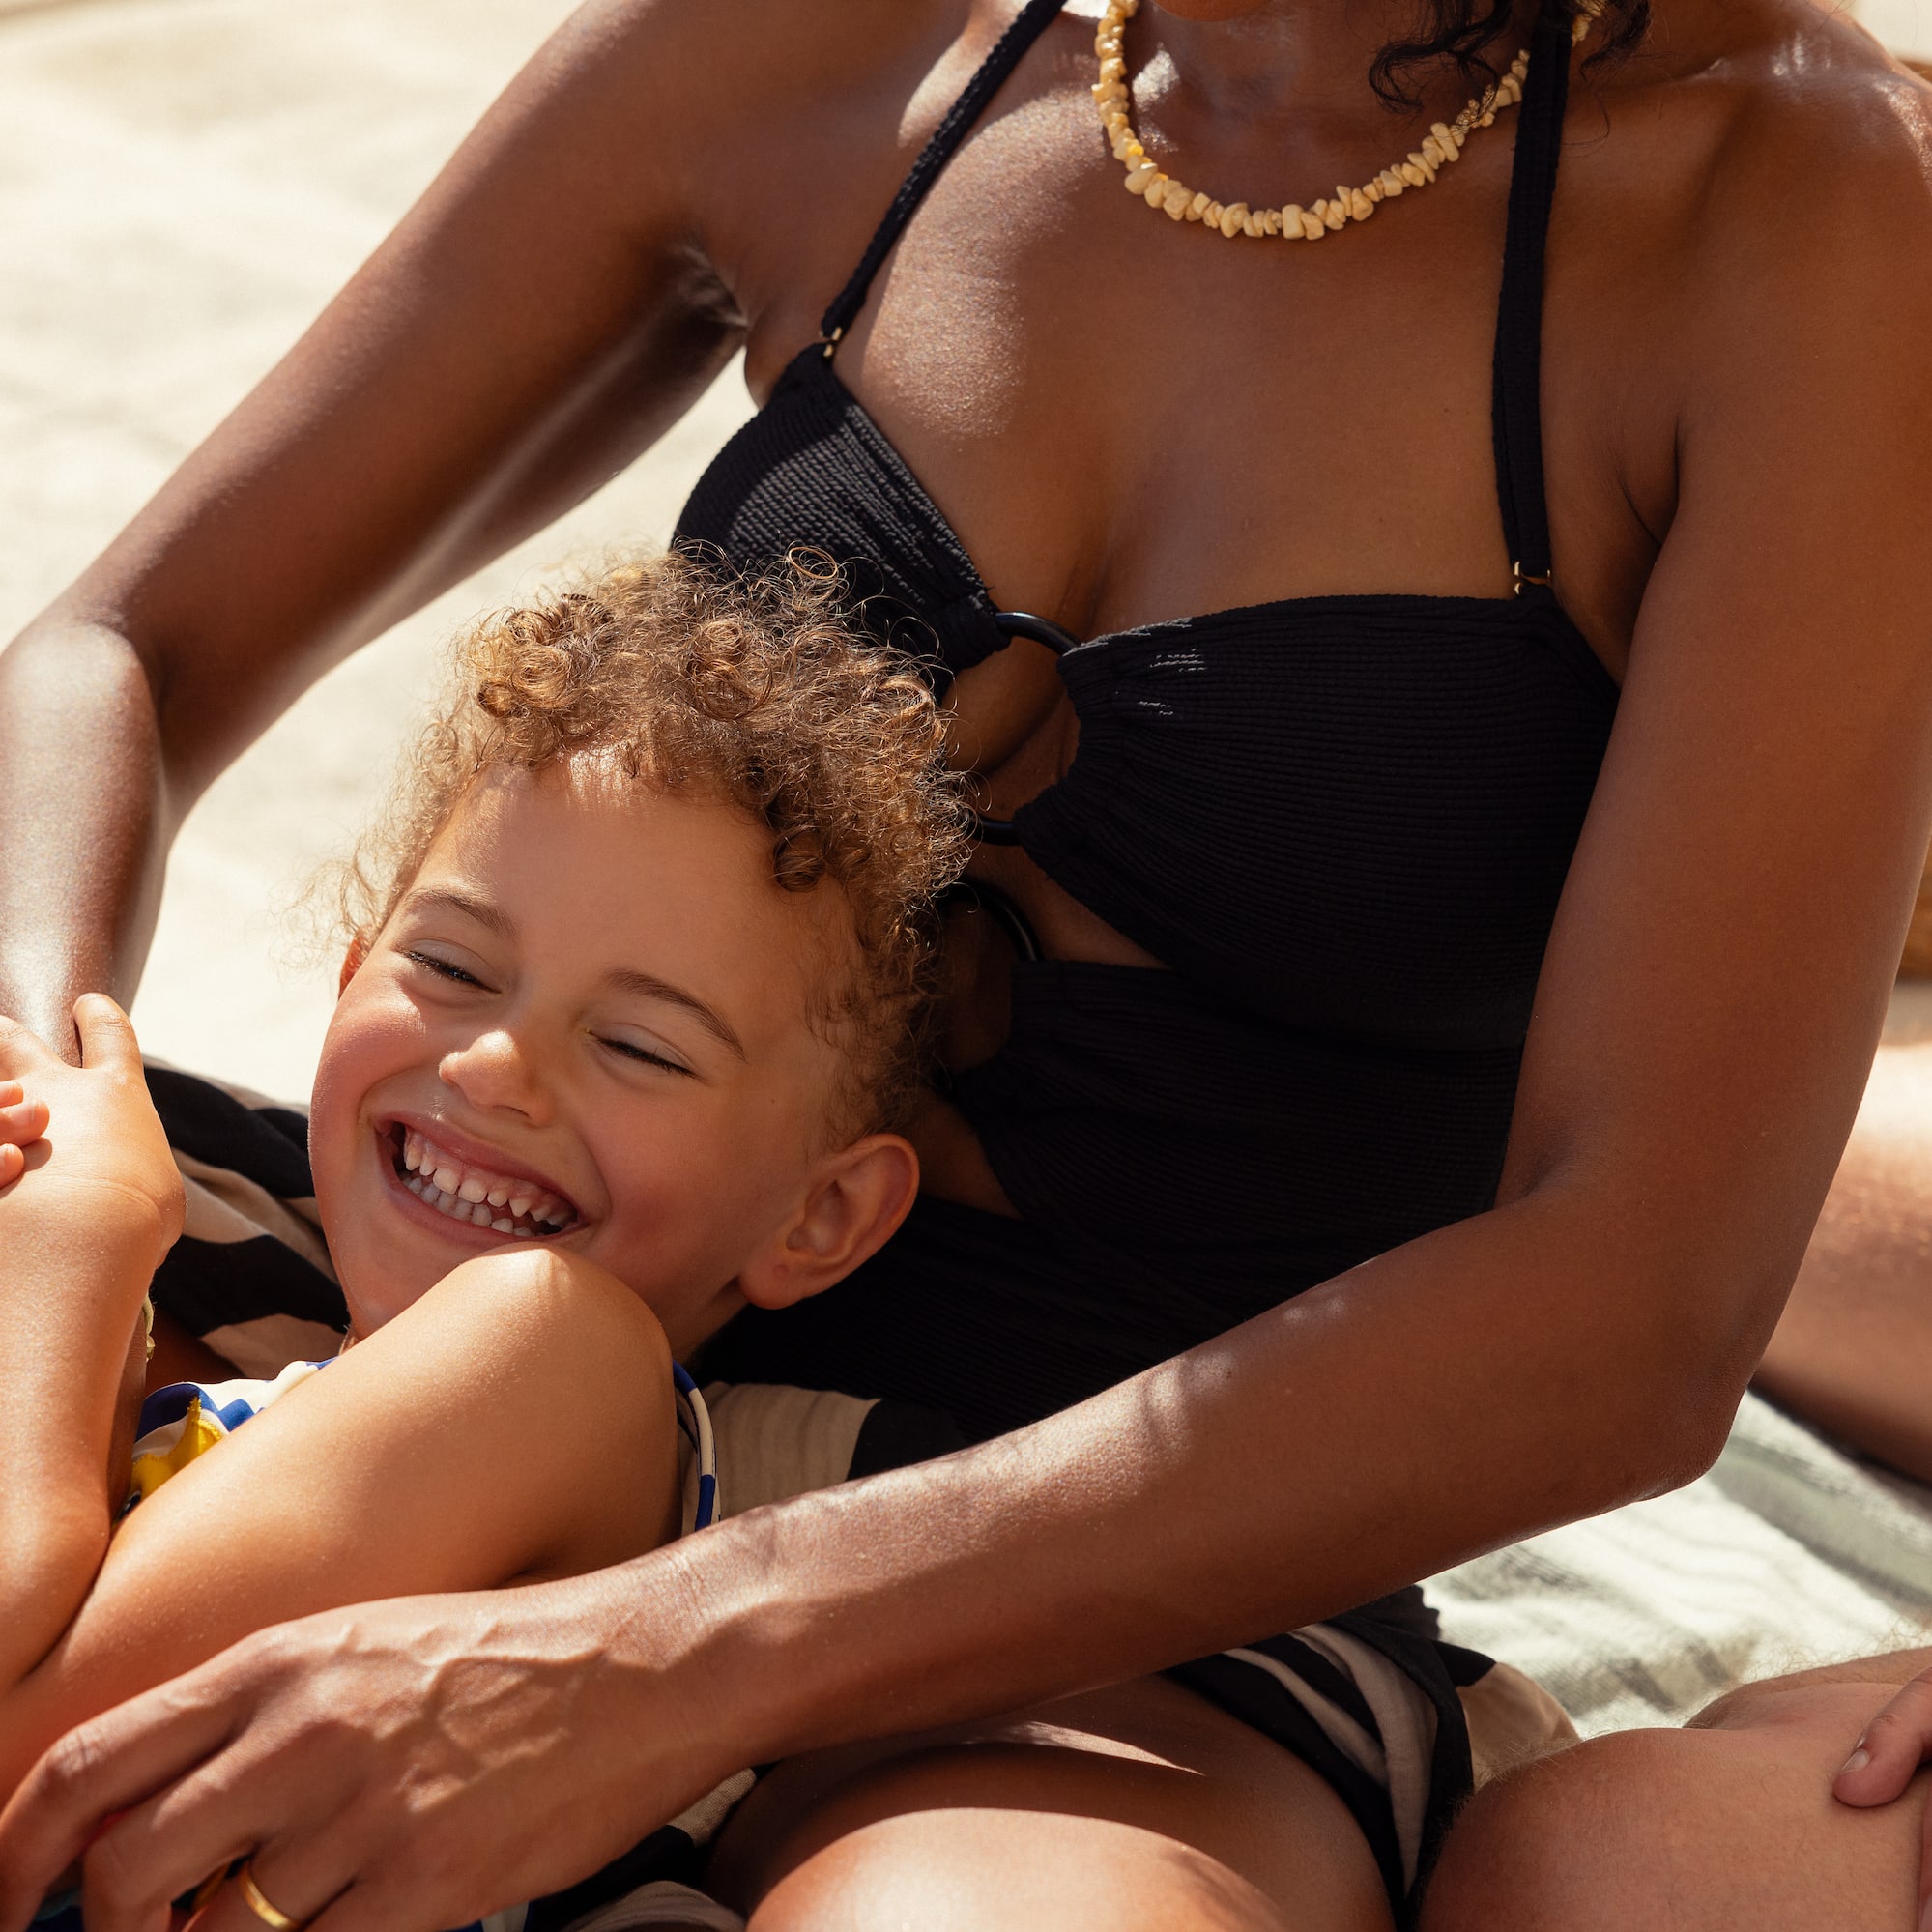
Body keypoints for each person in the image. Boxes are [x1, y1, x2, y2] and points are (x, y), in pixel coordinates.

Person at [0, 0, 1928, 1926]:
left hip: (1096, 1608)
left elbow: (1633, 1322)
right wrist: (56, 1123)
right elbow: (121, 654)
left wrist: (658, 1651)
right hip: (453, 1330)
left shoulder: (1802, 204)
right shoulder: (827, 41)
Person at [0, 554, 967, 1919]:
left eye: (641, 1046)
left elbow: (26, 1785)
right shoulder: (245, 1365)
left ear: (820, 1215)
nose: (497, 1067)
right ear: (351, 977)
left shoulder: (556, 1356)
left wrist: (69, 1267)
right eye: (449, 968)